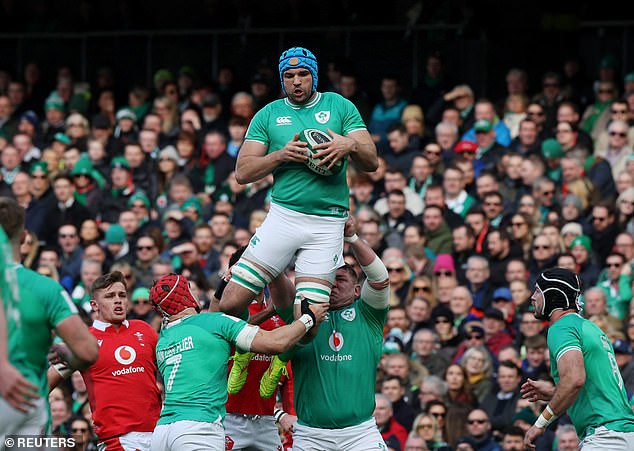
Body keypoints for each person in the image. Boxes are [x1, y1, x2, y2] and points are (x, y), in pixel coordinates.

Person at [218, 46, 377, 322]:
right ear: (282, 80)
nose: (296, 81)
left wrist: (348, 144)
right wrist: (280, 156)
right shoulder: (267, 115)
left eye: (303, 74)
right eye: (289, 75)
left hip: (327, 224)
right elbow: (242, 173)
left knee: (310, 323)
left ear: (314, 76)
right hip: (284, 218)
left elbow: (371, 162)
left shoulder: (340, 106)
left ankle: (283, 352)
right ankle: (254, 347)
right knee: (229, 304)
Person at [149, 272, 328, 451]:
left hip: (163, 431)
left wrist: (224, 284)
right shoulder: (214, 322)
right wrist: (308, 318)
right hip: (197, 428)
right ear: (185, 295)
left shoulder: (163, 339)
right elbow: (276, 343)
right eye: (189, 288)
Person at [264, 216, 391, 450]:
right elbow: (275, 282)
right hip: (311, 435)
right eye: (327, 279)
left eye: (339, 279)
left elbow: (380, 279)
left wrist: (351, 237)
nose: (331, 284)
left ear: (356, 290)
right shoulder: (301, 316)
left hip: (360, 433)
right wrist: (275, 245)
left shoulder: (369, 315)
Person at [0, 197, 98, 441]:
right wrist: (67, 356)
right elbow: (88, 352)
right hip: (26, 402)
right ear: (23, 237)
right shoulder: (46, 289)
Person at [521, 267, 634, 450]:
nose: (532, 297)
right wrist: (553, 392)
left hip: (605, 437)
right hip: (624, 434)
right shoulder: (591, 327)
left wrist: (540, 424)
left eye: (537, 291)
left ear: (552, 295)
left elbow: (574, 380)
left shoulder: (562, 327)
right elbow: (593, 389)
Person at [48, 271, 162, 451]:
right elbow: (46, 382)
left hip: (159, 434)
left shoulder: (144, 330)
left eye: (122, 295)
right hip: (117, 440)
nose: (118, 300)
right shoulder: (82, 342)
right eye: (110, 296)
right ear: (94, 305)